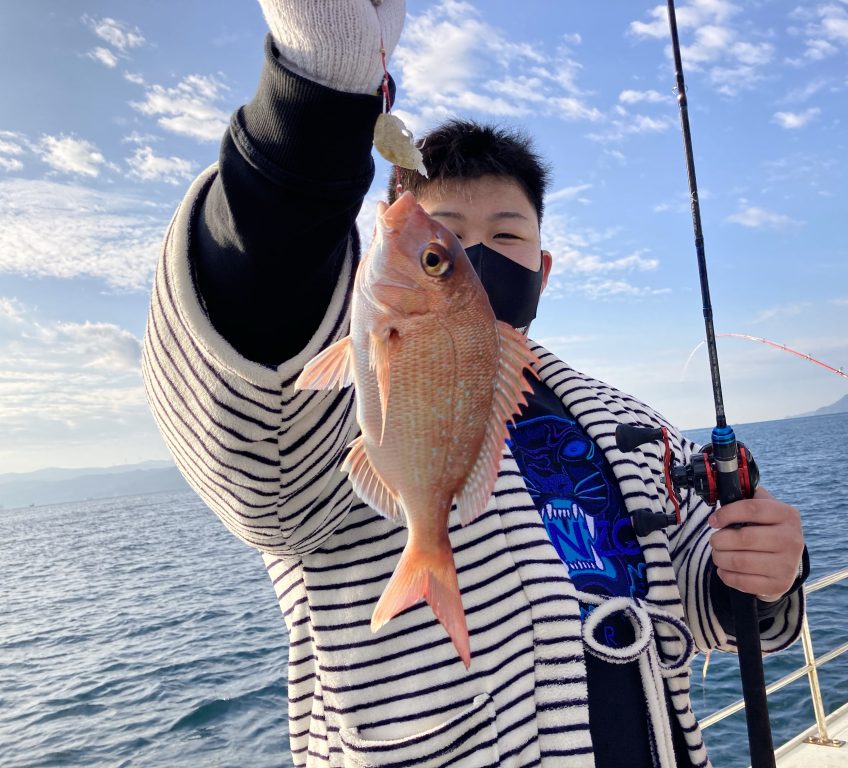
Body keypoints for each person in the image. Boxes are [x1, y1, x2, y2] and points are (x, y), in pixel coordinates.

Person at [142, 2, 808, 766]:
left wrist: (761, 574)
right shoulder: (331, 408)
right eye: (447, 237)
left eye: (506, 233)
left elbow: (692, 601)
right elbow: (255, 386)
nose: (475, 254)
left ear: (542, 268)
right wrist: (319, 98)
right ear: (377, 241)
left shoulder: (625, 419)